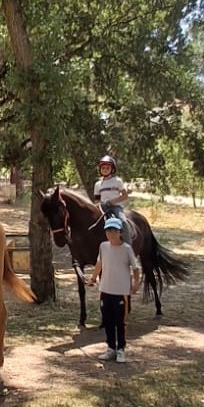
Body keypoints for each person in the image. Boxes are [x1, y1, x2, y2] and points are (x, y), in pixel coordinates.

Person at [87, 217, 141, 363]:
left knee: (120, 322)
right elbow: (100, 263)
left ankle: (121, 349)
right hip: (105, 290)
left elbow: (135, 269)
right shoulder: (103, 247)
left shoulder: (126, 249)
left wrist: (136, 284)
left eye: (113, 231)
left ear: (120, 232)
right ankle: (111, 348)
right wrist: (92, 278)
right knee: (108, 321)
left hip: (121, 292)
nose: (110, 234)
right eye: (108, 231)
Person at [94, 155, 129, 221]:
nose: (105, 170)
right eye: (103, 168)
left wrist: (112, 202)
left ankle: (126, 231)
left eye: (107, 168)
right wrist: (98, 206)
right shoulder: (97, 184)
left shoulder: (117, 181)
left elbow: (125, 196)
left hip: (116, 207)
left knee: (123, 220)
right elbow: (97, 200)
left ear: (112, 169)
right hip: (103, 208)